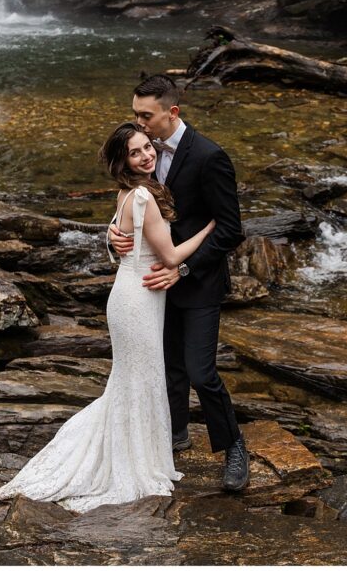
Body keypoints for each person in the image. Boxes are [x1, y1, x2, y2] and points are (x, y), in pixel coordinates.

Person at [0, 122, 215, 512]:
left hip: (132, 295)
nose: (147, 155)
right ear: (123, 161)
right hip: (138, 300)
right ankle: (132, 461)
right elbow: (169, 256)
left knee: (136, 380)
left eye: (148, 147)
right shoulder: (143, 197)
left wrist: (111, 235)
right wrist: (210, 229)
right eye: (136, 152)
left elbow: (123, 234)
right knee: (141, 378)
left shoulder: (128, 192)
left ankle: (138, 449)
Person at [109, 74, 249, 492]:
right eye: (135, 114)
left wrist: (184, 269)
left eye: (144, 115)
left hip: (199, 283)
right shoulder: (141, 154)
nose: (138, 122)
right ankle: (175, 435)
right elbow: (130, 207)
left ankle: (234, 446)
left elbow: (230, 229)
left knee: (201, 372)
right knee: (167, 368)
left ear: (172, 112)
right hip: (153, 287)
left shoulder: (210, 157)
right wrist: (112, 235)